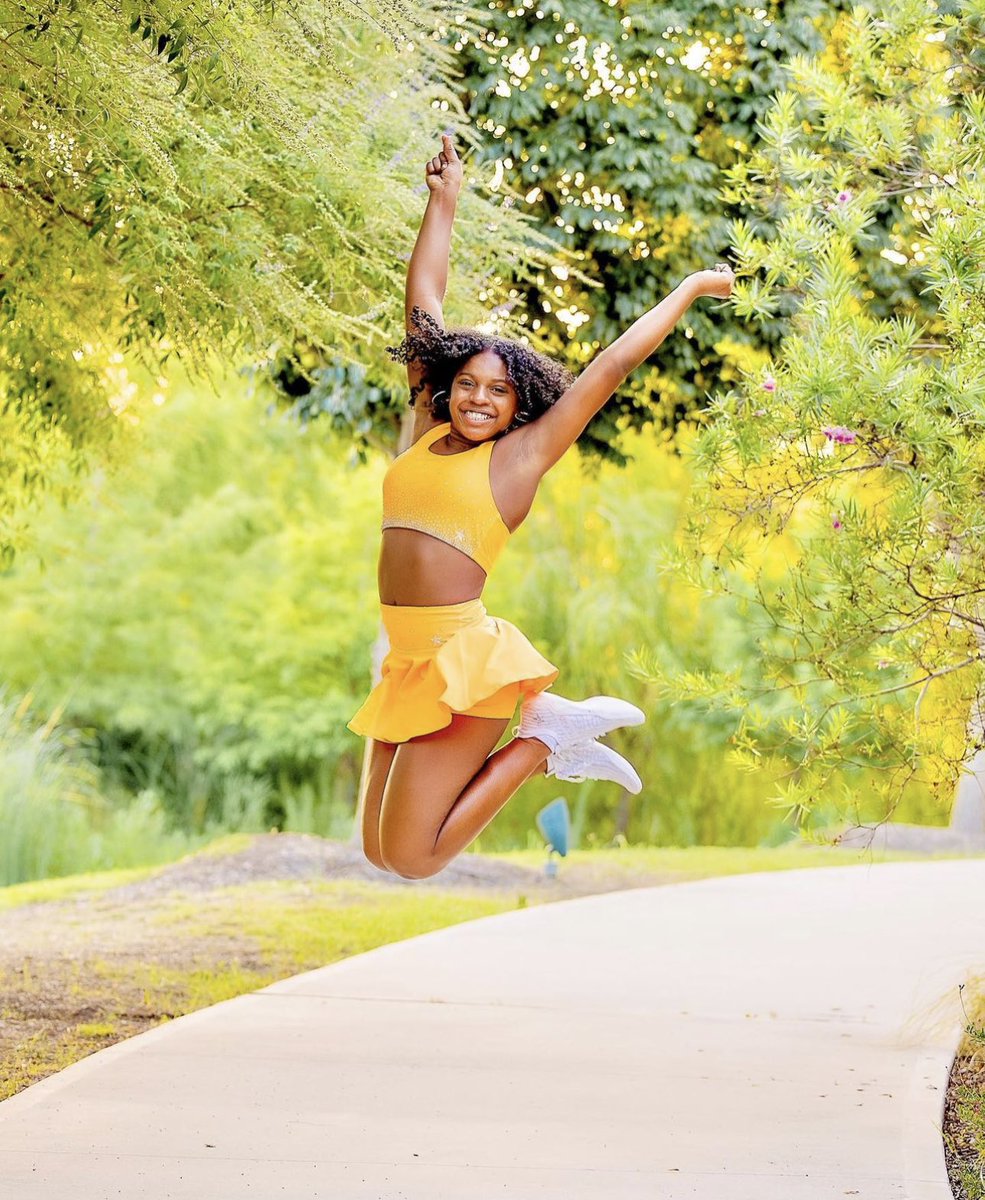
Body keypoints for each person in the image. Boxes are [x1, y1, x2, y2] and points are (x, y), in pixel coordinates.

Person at [348, 134, 734, 880]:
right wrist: (443, 201)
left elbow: (612, 364)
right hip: (406, 659)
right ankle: (544, 740)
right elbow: (422, 301)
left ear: (519, 404)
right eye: (467, 384)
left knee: (414, 858)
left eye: (498, 391)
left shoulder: (519, 461)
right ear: (447, 387)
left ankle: (541, 743)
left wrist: (688, 288)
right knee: (375, 850)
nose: (479, 397)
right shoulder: (427, 430)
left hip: (466, 663)